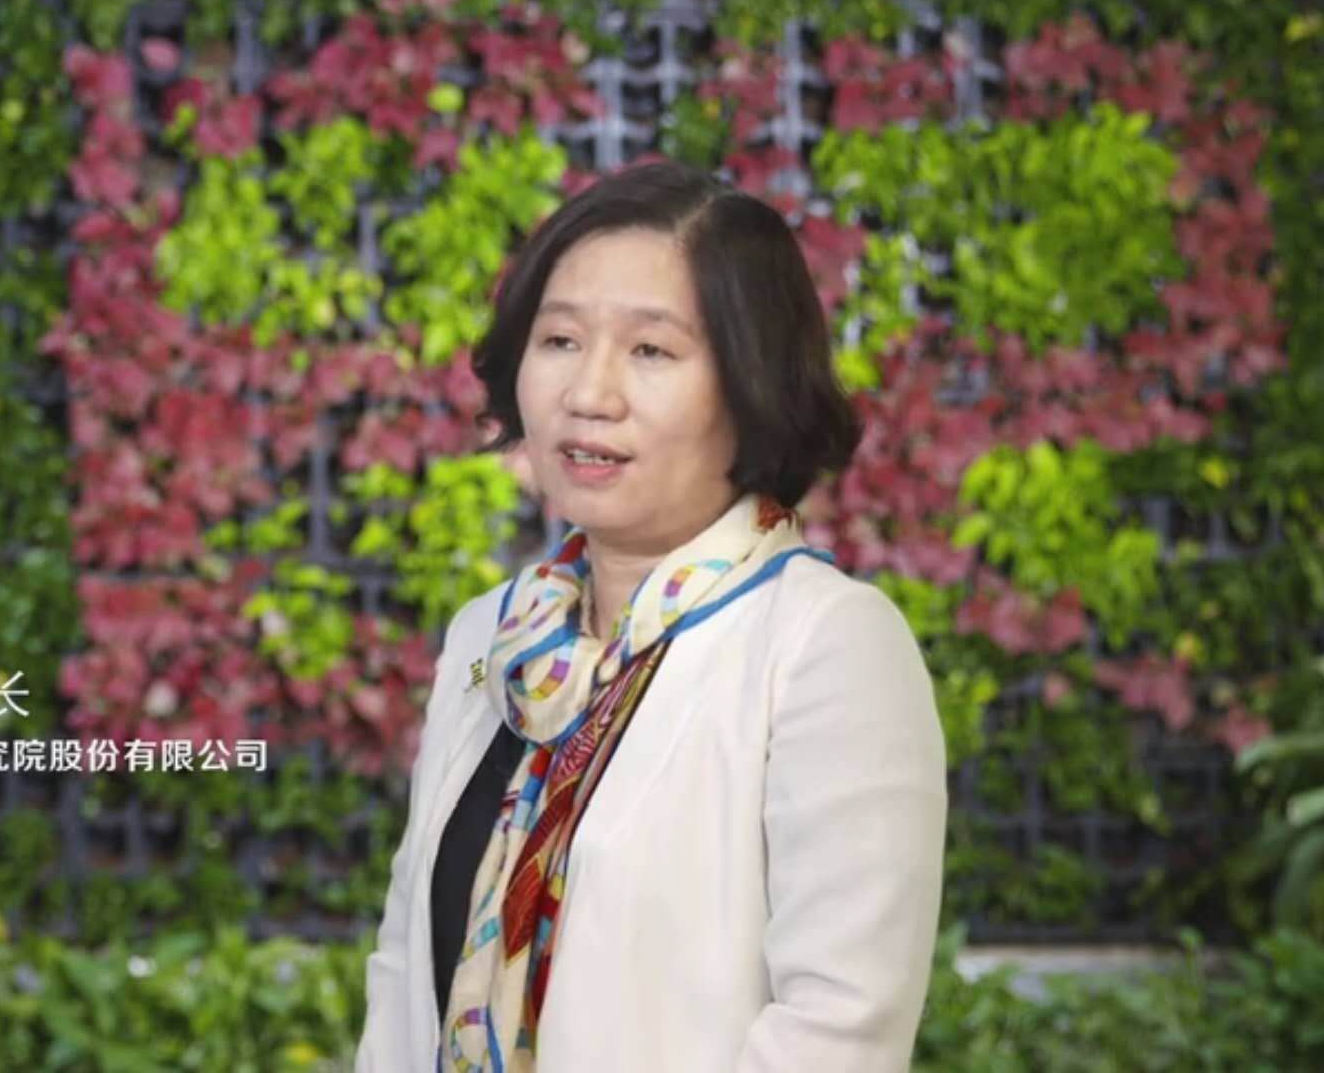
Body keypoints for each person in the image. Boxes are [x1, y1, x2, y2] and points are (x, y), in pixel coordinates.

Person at [354, 160, 947, 1072]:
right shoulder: (494, 636)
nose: (589, 394)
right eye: (560, 339)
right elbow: (404, 969)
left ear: (751, 382)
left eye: (651, 351)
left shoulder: (823, 646)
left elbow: (838, 1029)